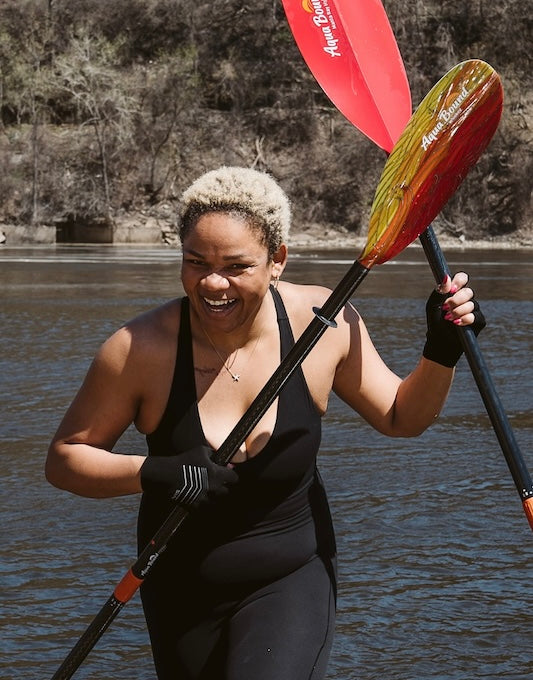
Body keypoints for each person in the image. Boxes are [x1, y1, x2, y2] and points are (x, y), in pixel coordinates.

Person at [45, 166, 485, 680]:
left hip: (293, 575)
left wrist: (441, 352)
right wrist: (153, 472)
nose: (212, 282)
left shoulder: (325, 320)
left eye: (236, 265)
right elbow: (64, 460)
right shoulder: (138, 349)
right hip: (180, 587)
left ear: (277, 260)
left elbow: (401, 417)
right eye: (195, 262)